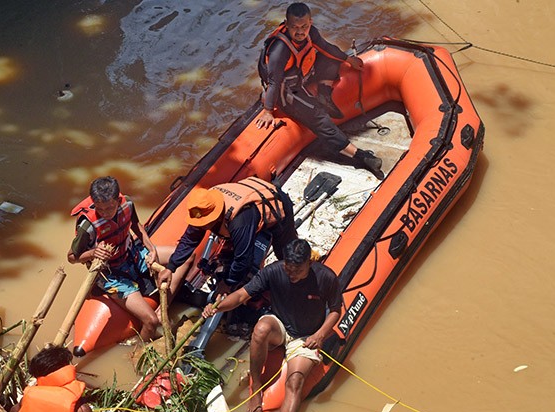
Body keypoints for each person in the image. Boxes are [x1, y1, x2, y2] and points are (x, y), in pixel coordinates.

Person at [202, 239, 343, 412]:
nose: (292, 273)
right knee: (259, 330)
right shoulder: (273, 272)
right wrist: (217, 307)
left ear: (309, 264)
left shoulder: (325, 277)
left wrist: (320, 334)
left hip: (306, 337)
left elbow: (335, 310)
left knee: (295, 380)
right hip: (280, 326)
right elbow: (241, 295)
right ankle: (257, 390)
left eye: (298, 269)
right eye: (289, 268)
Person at [255, 2, 384, 180]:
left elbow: (326, 47)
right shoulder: (280, 49)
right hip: (286, 91)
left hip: (301, 75)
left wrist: (348, 59)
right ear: (286, 24)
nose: (300, 32)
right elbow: (274, 82)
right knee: (319, 118)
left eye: (304, 27)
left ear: (310, 22)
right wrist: (268, 110)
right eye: (295, 27)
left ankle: (323, 95)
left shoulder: (311, 33)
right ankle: (361, 156)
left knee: (333, 59)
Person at [68, 176, 186, 342]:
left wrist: (151, 248)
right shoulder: (87, 226)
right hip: (111, 273)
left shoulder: (127, 204)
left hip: (132, 254)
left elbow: (136, 225)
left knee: (186, 257)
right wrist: (93, 253)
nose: (105, 213)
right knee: (151, 321)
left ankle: (164, 306)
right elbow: (72, 257)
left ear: (118, 200)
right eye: (100, 209)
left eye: (110, 208)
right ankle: (138, 352)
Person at [156, 176, 297, 296]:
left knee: (285, 253)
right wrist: (171, 267)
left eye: (204, 223)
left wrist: (228, 283)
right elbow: (189, 239)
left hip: (273, 204)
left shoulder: (239, 220)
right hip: (250, 209)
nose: (201, 226)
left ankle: (296, 280)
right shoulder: (203, 206)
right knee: (232, 253)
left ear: (215, 216)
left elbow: (243, 259)